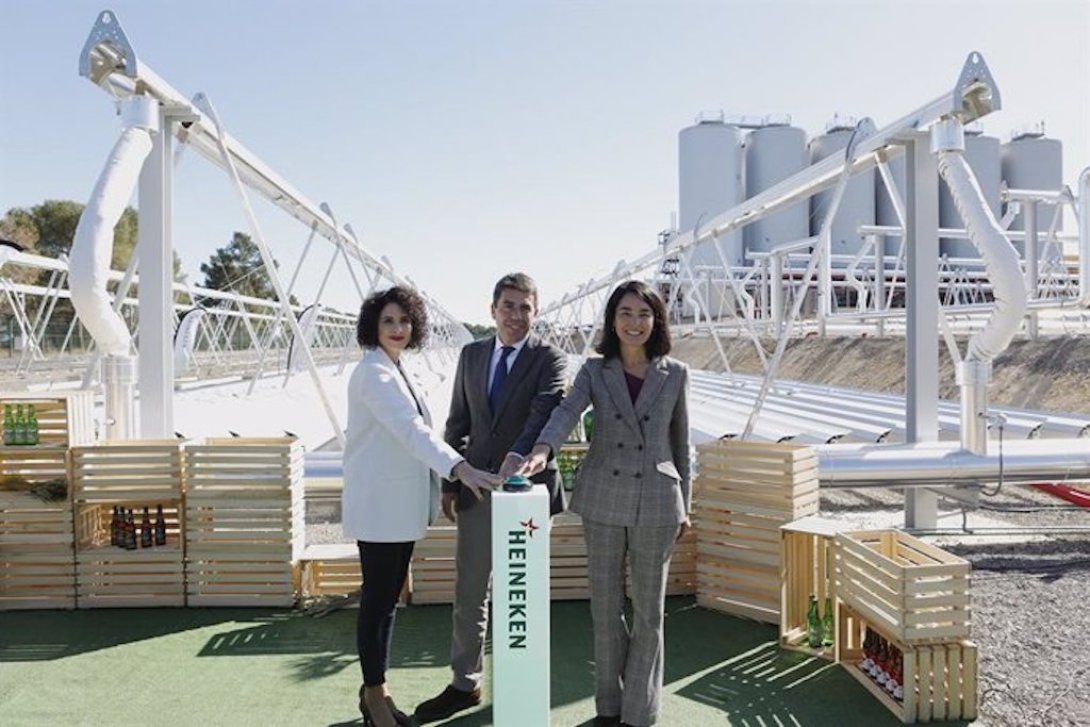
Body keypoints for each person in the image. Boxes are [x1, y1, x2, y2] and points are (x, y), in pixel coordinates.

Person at [517, 279, 691, 727]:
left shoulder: (677, 373)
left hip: (657, 502)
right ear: (612, 320)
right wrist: (542, 450)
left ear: (656, 321)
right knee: (605, 607)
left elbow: (680, 442)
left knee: (650, 614)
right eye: (625, 314)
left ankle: (640, 713)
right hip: (604, 500)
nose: (634, 323)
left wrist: (684, 505)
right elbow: (565, 412)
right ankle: (608, 710)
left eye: (643, 314)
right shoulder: (595, 372)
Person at [342, 286, 501, 727]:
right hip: (380, 510)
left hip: (397, 510)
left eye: (405, 321)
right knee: (377, 602)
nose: (398, 329)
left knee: (387, 602)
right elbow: (411, 431)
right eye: (388, 321)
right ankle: (375, 697)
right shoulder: (374, 373)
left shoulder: (395, 368)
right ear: (374, 325)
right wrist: (459, 468)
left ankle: (378, 690)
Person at [414, 272, 567, 724]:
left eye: (525, 307)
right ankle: (465, 682)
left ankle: (523, 687)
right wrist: (449, 482)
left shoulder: (549, 358)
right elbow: (457, 420)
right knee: (470, 589)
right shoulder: (472, 355)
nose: (515, 315)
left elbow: (544, 413)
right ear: (492, 309)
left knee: (523, 592)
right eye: (508, 305)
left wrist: (518, 458)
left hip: (529, 494)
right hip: (477, 487)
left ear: (535, 313)